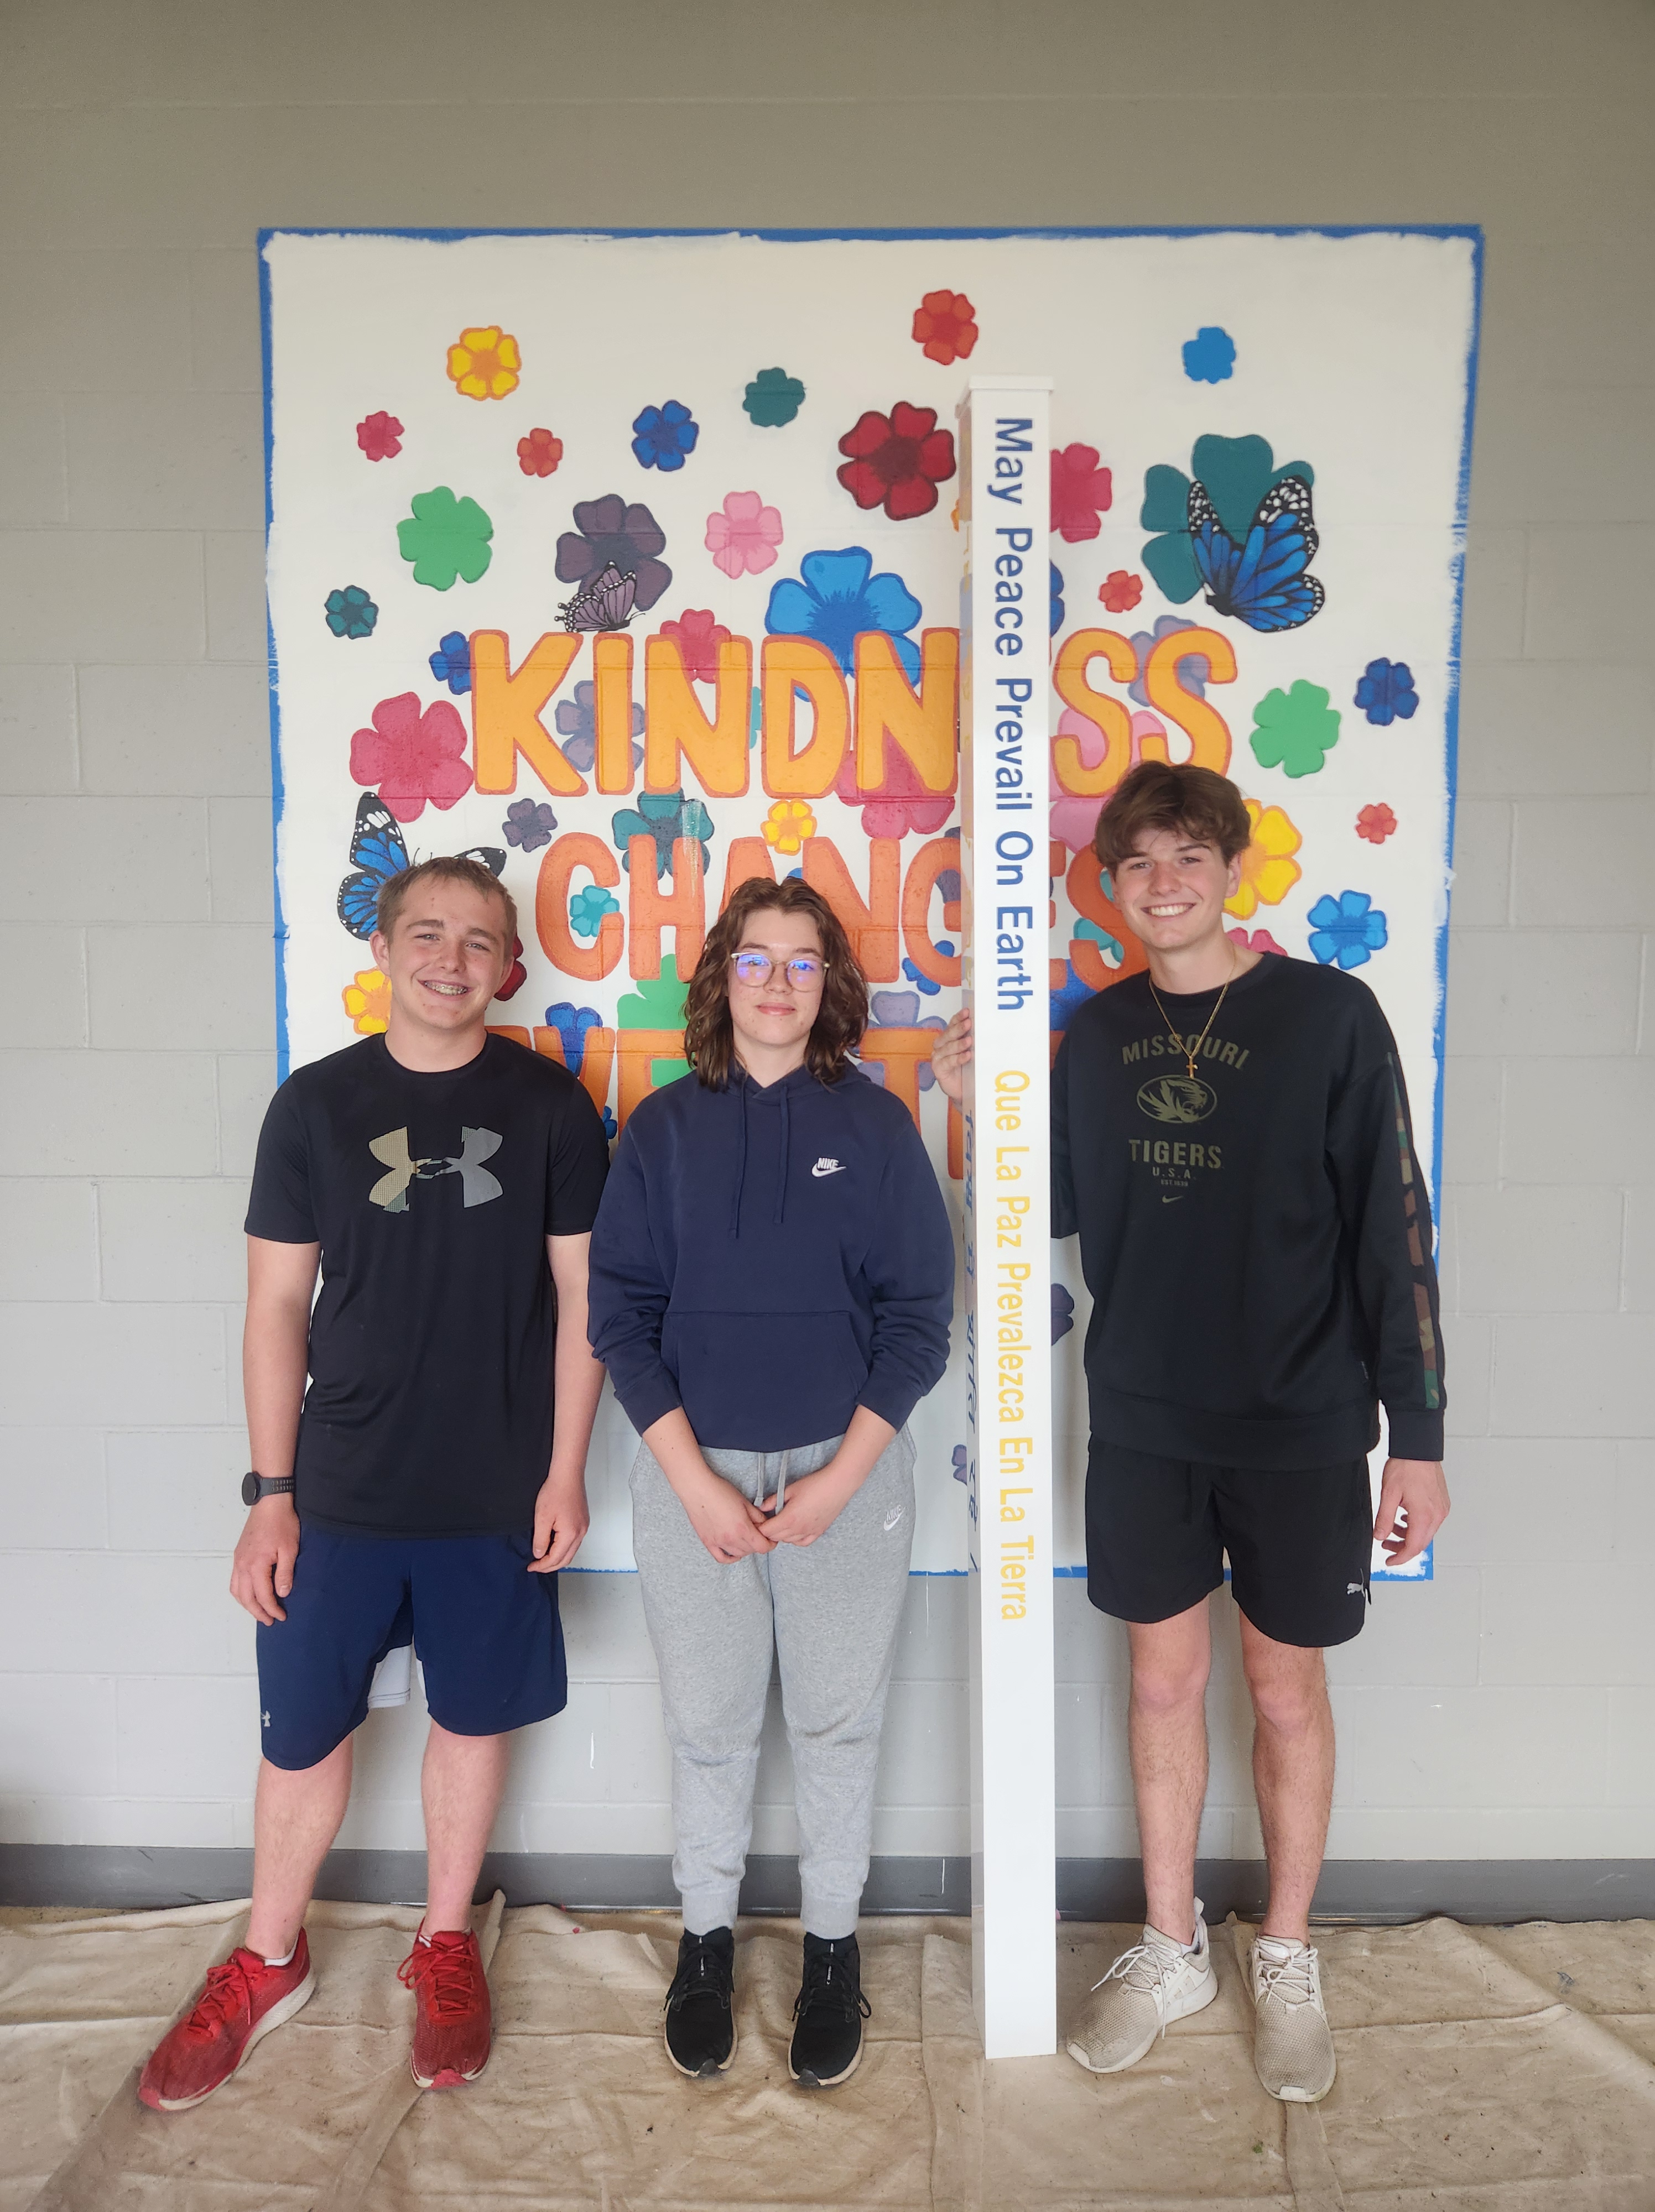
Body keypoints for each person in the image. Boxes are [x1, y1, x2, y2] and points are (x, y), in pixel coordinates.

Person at [931, 760, 1449, 2105]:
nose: (1162, 885)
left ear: (1230, 869)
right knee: (1160, 1684)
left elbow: (1393, 1229)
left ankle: (1283, 1948)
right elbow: (1044, 1205)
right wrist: (973, 1103)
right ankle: (1171, 1949)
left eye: (1187, 858)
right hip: (1145, 1421)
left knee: (1282, 1689)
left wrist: (1418, 1432)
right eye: (1137, 864)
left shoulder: (1327, 1016)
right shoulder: (1097, 1036)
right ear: (1109, 886)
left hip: (1301, 1418)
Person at [139, 856, 610, 2110]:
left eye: (478, 941)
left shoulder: (553, 1108)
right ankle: (267, 1956)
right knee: (304, 1734)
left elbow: (584, 1302)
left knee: (471, 1719)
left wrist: (564, 1471)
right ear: (386, 950)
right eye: (428, 934)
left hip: (495, 1489)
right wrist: (270, 1491)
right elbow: (275, 1306)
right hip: (337, 1487)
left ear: (508, 966)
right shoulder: (314, 1106)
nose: (451, 960)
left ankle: (444, 1943)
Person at [587, 877, 955, 2090]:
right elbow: (621, 1317)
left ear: (830, 983)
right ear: (722, 977)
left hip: (846, 1474)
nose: (779, 981)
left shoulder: (879, 1127)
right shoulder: (660, 1130)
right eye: (757, 959)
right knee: (708, 1726)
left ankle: (832, 1949)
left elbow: (917, 1320)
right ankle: (705, 1942)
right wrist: (693, 1483)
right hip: (690, 1472)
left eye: (804, 961)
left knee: (839, 1725)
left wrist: (841, 1479)